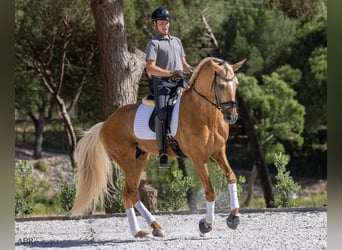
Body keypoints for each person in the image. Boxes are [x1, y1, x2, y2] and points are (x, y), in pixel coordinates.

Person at [146, 7, 192, 168]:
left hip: (180, 82)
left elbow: (184, 64)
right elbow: (150, 68)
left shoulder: (177, 41)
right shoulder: (154, 43)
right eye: (161, 23)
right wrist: (170, 73)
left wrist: (193, 70)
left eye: (166, 23)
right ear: (155, 24)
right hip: (163, 84)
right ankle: (162, 152)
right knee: (163, 113)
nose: (165, 26)